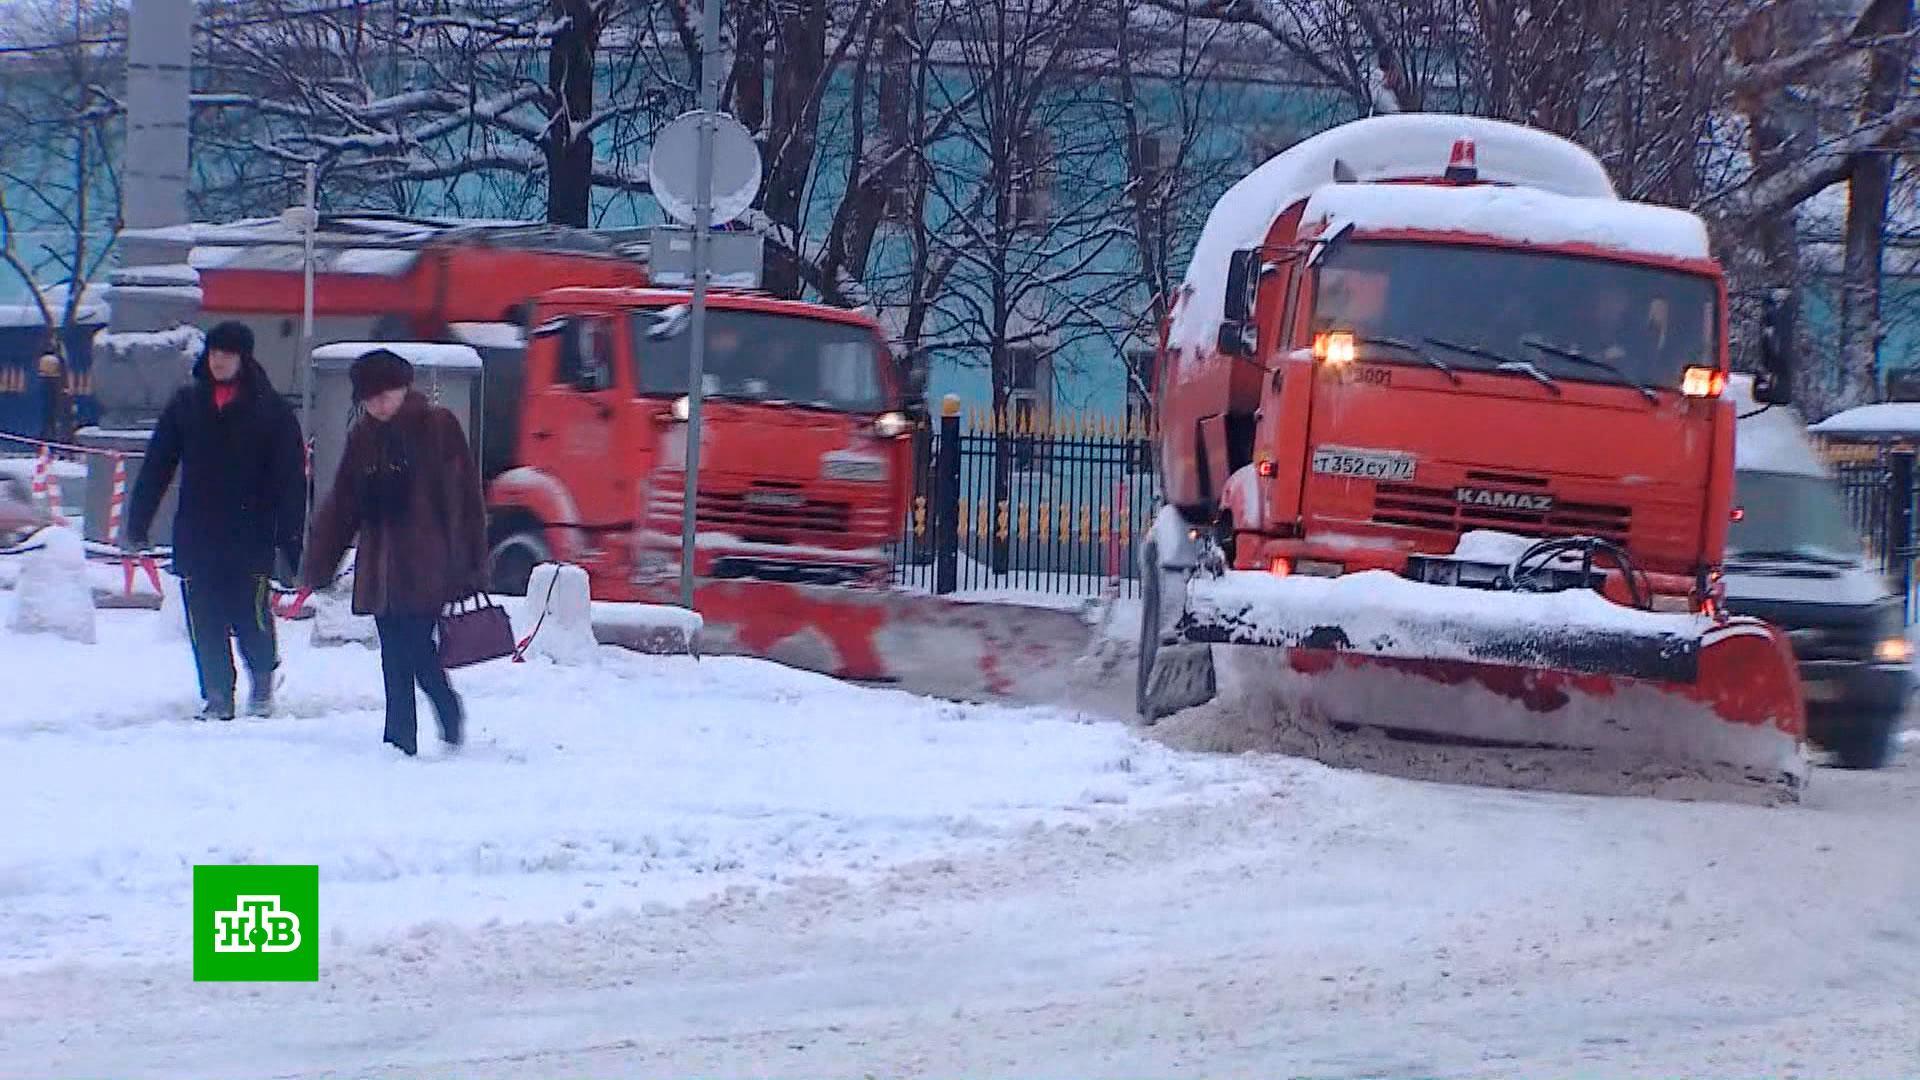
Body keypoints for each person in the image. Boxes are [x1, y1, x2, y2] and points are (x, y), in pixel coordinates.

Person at [303, 349, 488, 756]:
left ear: (405, 388)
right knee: (395, 654)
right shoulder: (363, 437)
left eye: (385, 395)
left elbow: (463, 497)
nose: (378, 405)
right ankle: (402, 737)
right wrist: (320, 562)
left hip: (429, 564)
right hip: (381, 569)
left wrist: (469, 562)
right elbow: (343, 504)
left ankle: (436, 714)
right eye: (369, 399)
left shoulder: (437, 426)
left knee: (414, 650)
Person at [126, 321, 307, 721]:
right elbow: (158, 466)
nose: (219, 360)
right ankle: (217, 694)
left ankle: (262, 679)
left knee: (252, 618)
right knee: (204, 621)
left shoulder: (271, 411)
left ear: (244, 357)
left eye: (227, 353)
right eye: (214, 352)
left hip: (251, 536)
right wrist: (137, 523)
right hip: (198, 533)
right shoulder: (186, 405)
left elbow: (291, 482)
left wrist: (291, 542)